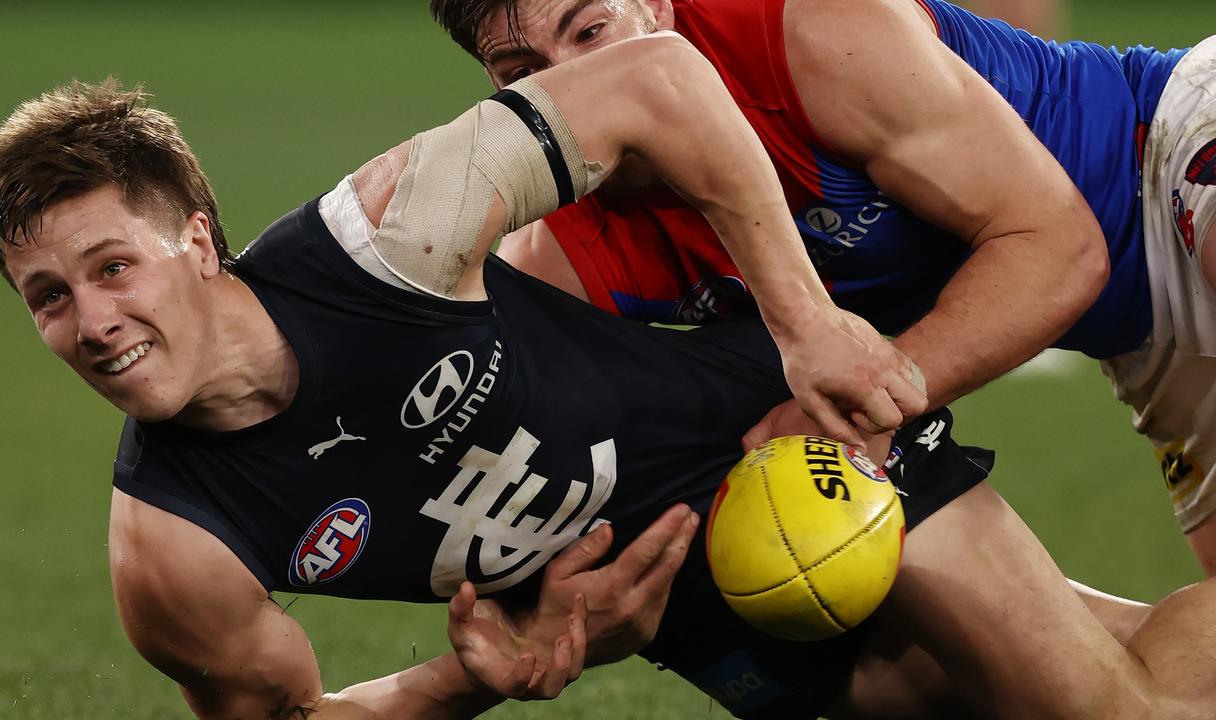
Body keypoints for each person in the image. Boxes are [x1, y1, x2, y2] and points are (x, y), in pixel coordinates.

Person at [0, 36, 1213, 720]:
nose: (95, 321)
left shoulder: (383, 237)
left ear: (196, 236)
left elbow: (660, 79)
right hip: (696, 619)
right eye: (50, 298)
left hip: (782, 453)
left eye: (112, 266)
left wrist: (801, 327)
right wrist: (473, 674)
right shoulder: (171, 554)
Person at [431, 0, 1216, 573]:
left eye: (591, 31)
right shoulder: (563, 250)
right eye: (525, 74)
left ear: (658, 8)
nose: (578, 83)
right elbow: (493, 437)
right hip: (1144, 344)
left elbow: (1059, 247)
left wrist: (860, 402)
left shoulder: (805, 27)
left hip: (1169, 138)